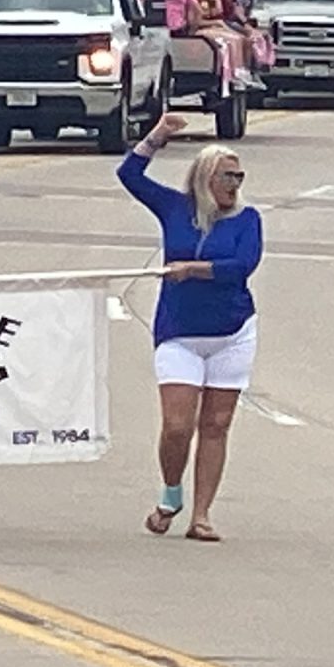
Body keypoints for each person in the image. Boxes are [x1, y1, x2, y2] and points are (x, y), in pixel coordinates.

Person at [119, 114, 262, 543]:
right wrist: (157, 136)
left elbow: (242, 266)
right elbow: (129, 175)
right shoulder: (175, 209)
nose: (234, 184)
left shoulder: (247, 219)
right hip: (180, 331)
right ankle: (171, 493)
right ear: (204, 178)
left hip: (232, 331)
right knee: (178, 425)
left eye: (239, 175)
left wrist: (195, 269)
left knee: (216, 424)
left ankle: (202, 515)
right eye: (226, 175)